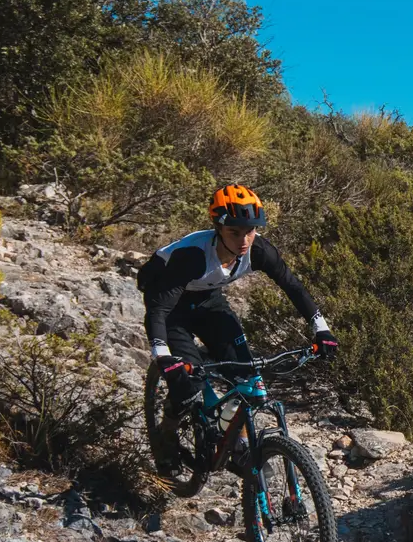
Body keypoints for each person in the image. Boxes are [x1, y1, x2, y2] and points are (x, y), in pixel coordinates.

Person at [138, 185, 336, 450]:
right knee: (187, 383)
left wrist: (321, 329)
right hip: (170, 305)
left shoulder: (259, 251)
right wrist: (161, 355)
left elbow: (293, 287)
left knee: (246, 374)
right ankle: (167, 436)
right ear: (218, 228)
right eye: (234, 232)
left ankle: (237, 442)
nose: (243, 241)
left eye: (250, 232)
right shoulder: (193, 257)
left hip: (209, 298)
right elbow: (159, 309)